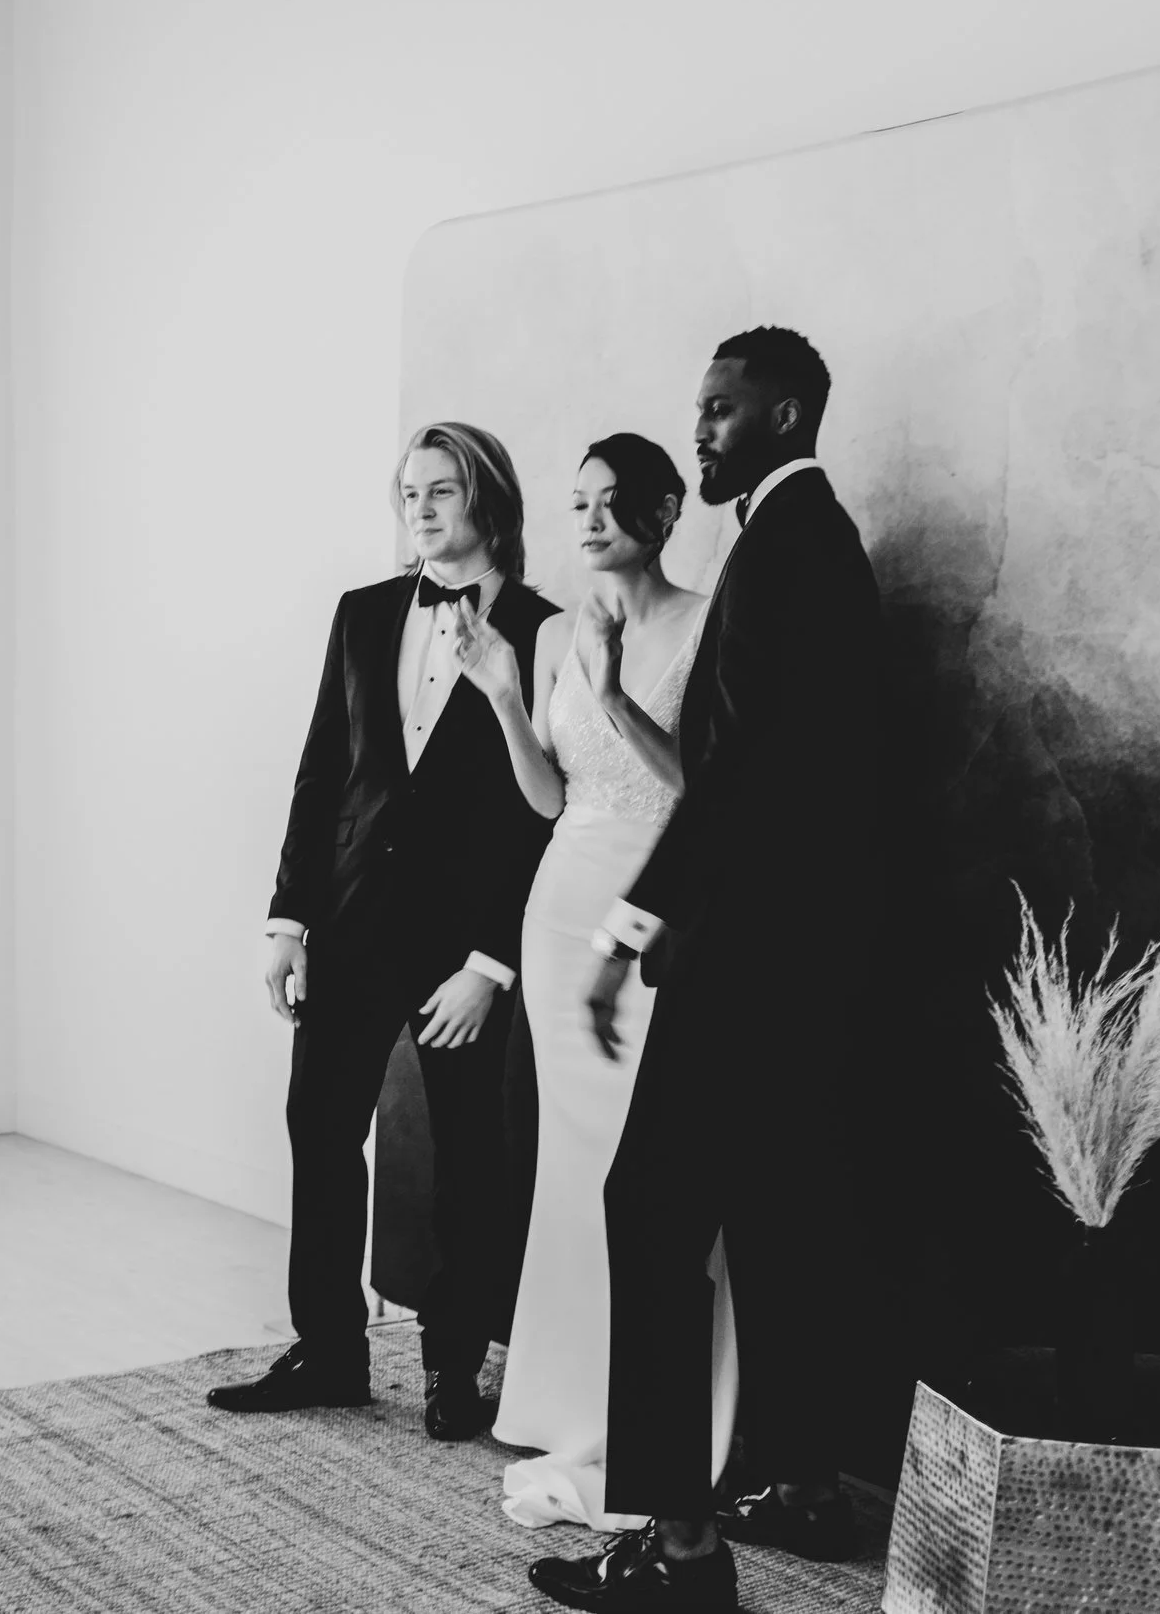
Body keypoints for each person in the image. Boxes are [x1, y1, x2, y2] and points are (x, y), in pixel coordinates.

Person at [527, 328, 884, 1611]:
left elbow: (749, 777)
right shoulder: (799, 543)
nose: (702, 430)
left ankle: (681, 1553)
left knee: (653, 1207)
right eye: (700, 408)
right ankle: (801, 1480)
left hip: (748, 958)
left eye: (722, 410)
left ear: (785, 414)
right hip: (796, 959)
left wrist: (634, 931)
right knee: (781, 1213)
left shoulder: (794, 548)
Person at [209, 421, 560, 1441]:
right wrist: (289, 917)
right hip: (351, 924)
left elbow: (549, 809)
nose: (421, 506)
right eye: (409, 489)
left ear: (485, 499)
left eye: (442, 488)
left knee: (467, 1157)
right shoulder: (361, 613)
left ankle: (456, 1367)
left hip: (463, 948)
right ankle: (329, 1349)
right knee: (318, 1129)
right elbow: (322, 772)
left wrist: (492, 962)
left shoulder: (543, 629)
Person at [446, 432, 737, 1532]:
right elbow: (544, 798)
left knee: (649, 1172)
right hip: (559, 905)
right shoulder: (559, 630)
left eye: (613, 502)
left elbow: (706, 791)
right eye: (578, 504)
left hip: (653, 910)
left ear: (667, 513)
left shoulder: (709, 623)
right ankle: (570, 1395)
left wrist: (613, 694)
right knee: (569, 1171)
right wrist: (504, 697)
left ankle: (668, 1417)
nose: (591, 520)